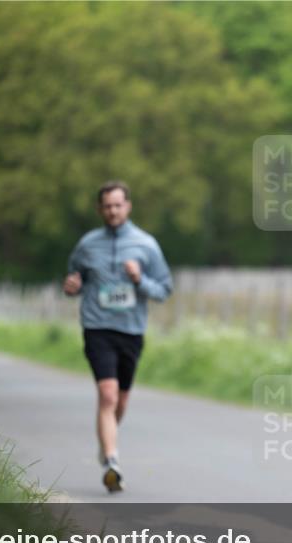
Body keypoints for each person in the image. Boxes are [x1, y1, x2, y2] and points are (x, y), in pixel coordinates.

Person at [63, 181, 172, 492]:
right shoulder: (87, 245)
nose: (113, 211)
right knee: (108, 394)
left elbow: (164, 289)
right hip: (97, 327)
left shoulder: (146, 245)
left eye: (118, 205)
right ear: (100, 209)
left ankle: (105, 443)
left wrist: (140, 279)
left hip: (131, 330)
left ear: (128, 206)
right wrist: (72, 287)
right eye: (107, 206)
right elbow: (74, 279)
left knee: (121, 400)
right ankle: (112, 461)